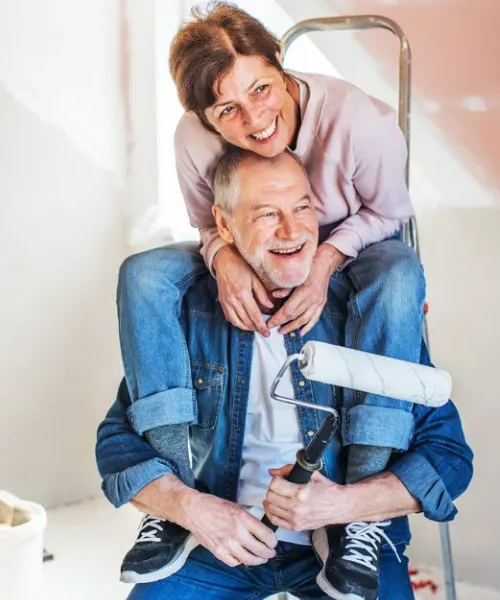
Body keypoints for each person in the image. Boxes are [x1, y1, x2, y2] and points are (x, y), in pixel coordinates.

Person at [115, 3, 426, 596]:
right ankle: (175, 507)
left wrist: (326, 263)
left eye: (261, 89)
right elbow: (209, 224)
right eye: (226, 109)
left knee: (399, 273)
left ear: (282, 68)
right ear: (203, 115)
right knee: (145, 274)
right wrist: (224, 259)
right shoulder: (193, 140)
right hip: (248, 256)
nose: (255, 119)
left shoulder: (361, 125)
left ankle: (357, 521)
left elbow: (388, 213)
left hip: (353, 252)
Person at [98, 146, 473, 600]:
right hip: (215, 539)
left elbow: (449, 456)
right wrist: (192, 509)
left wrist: (341, 505)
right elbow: (118, 443)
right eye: (266, 214)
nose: (292, 231)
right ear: (223, 224)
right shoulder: (187, 310)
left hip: (345, 544)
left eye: (302, 208)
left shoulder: (367, 310)